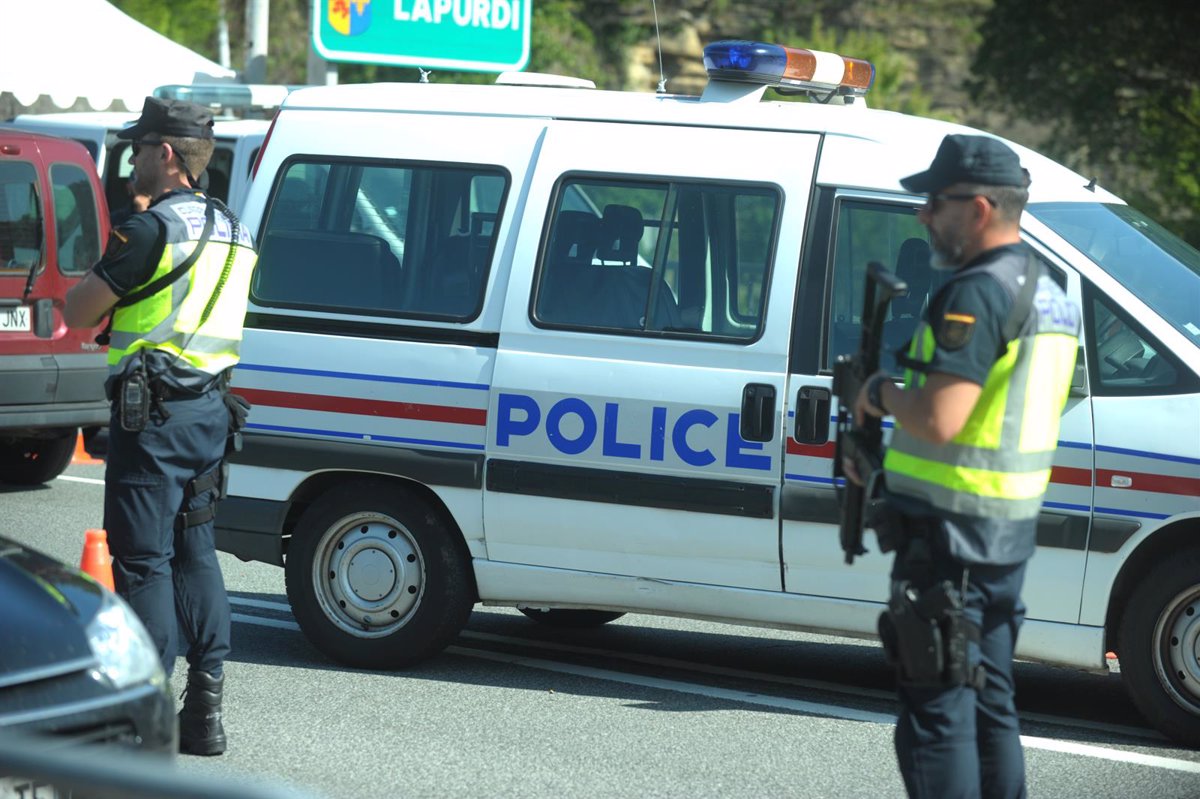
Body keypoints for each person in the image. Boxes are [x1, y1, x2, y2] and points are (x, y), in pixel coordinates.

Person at [845, 134, 1080, 798]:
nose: (923, 215)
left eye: (934, 202)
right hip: (1002, 538)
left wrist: (876, 393)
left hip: (948, 541)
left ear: (978, 208)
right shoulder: (1049, 290)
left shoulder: (974, 294)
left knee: (937, 714)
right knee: (989, 707)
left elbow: (942, 419)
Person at [64, 96, 258, 757]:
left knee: (142, 563)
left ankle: (142, 714)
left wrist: (127, 234)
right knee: (195, 554)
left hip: (152, 419)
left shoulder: (149, 230)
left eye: (140, 148)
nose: (133, 158)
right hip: (211, 413)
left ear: (167, 154)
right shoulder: (236, 229)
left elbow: (78, 303)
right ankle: (205, 709)